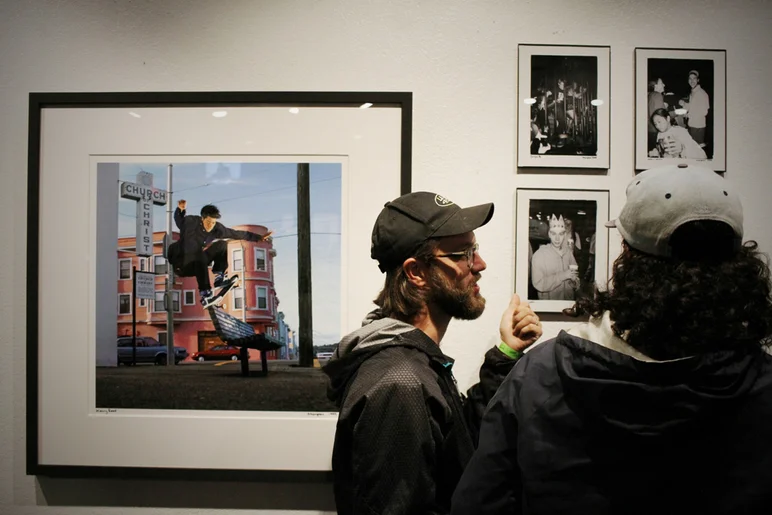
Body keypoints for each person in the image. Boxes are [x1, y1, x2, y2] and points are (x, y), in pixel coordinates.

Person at [451, 163, 772, 515]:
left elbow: (480, 502)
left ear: (629, 257)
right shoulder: (761, 384)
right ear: (738, 266)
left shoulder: (542, 375)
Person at [322, 191, 542, 515]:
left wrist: (506, 352)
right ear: (417, 272)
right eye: (463, 254)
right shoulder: (400, 383)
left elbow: (458, 443)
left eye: (475, 249)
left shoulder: (415, 361)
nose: (479, 265)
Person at [167, 199, 272, 306]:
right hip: (181, 265)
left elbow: (235, 233)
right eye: (208, 222)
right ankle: (205, 294)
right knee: (199, 257)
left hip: (198, 264)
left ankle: (219, 276)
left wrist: (258, 238)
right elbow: (179, 220)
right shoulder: (191, 222)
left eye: (213, 223)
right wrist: (180, 209)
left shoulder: (217, 229)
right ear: (202, 218)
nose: (210, 226)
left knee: (222, 244)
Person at [530, 214, 579, 300]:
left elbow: (575, 280)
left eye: (560, 234)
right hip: (550, 305)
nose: (557, 238)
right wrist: (562, 276)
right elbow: (538, 284)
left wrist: (574, 282)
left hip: (568, 304)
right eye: (553, 234)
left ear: (564, 235)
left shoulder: (568, 253)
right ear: (549, 234)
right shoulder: (539, 255)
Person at [679, 69, 710, 146]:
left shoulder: (702, 93)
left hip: (698, 126)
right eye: (690, 78)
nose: (692, 81)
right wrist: (684, 104)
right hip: (692, 124)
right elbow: (692, 106)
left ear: (698, 80)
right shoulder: (693, 92)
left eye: (694, 78)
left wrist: (689, 115)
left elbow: (704, 112)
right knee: (693, 147)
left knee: (697, 148)